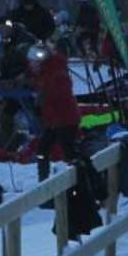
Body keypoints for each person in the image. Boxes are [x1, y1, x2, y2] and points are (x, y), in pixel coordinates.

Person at [29, 43, 82, 181]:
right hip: (53, 122)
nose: (32, 65)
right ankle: (43, 181)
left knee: (69, 152)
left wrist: (43, 98)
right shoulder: (43, 74)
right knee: (42, 150)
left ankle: (81, 180)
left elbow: (61, 93)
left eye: (34, 62)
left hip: (65, 120)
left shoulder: (56, 72)